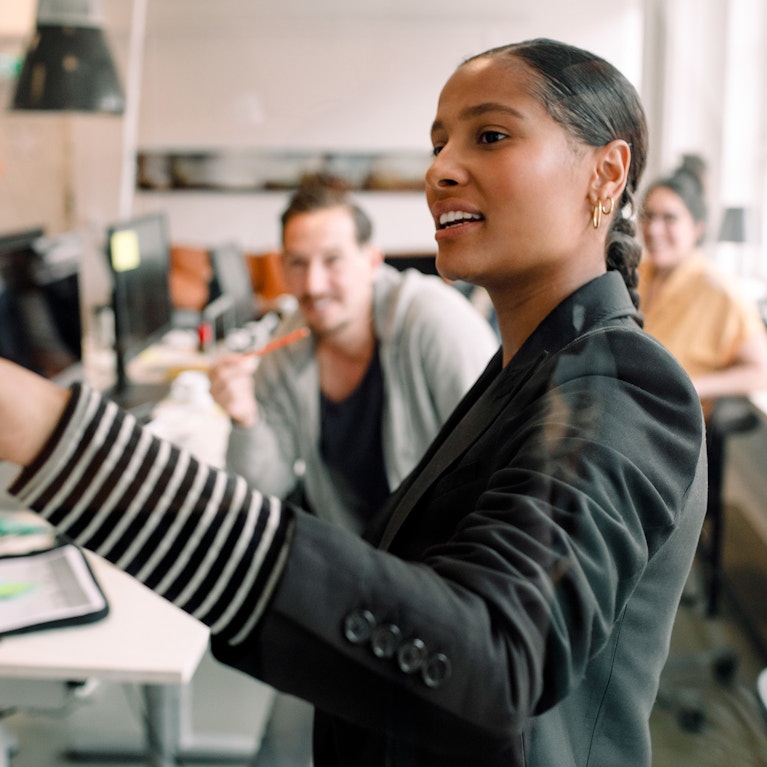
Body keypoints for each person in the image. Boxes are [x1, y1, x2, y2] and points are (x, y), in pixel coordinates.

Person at [0, 38, 707, 767]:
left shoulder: (624, 380)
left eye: (489, 136)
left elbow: (492, 662)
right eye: (437, 145)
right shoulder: (525, 371)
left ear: (606, 170)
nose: (438, 171)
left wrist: (53, 434)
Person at [209, 179, 499, 534]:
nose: (313, 284)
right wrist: (245, 418)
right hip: (355, 555)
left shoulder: (434, 322)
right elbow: (261, 492)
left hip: (444, 550)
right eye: (298, 263)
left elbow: (498, 463)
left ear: (372, 261)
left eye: (332, 260)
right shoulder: (285, 347)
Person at [638, 155, 767, 417]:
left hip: (669, 429)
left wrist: (691, 387)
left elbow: (761, 371)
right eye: (648, 216)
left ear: (697, 227)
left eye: (669, 218)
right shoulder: (636, 271)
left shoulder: (720, 292)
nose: (653, 229)